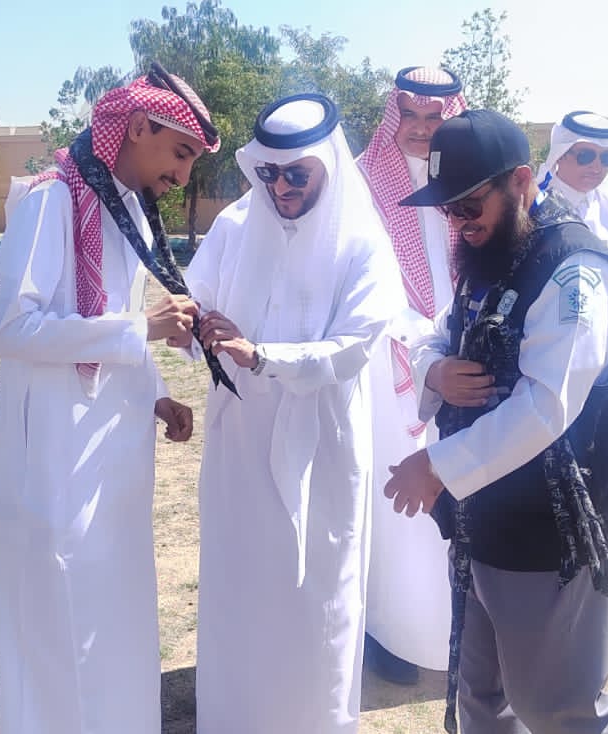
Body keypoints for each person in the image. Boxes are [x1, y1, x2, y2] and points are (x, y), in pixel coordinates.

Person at [383, 109, 608, 734]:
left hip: (554, 532)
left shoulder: (575, 270)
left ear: (521, 182)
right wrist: (435, 371)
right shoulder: (495, 249)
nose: (458, 223)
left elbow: (546, 406)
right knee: (483, 697)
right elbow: (440, 330)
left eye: (469, 206)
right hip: (483, 519)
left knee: (558, 707)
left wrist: (437, 465)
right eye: (448, 210)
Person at [0, 64, 217, 734]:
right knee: (60, 611)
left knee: (114, 607)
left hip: (115, 456)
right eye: (179, 153)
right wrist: (140, 330)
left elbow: (120, 323)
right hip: (54, 454)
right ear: (138, 126)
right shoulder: (51, 199)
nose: (182, 176)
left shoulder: (128, 209)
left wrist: (156, 393)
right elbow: (13, 329)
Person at [187, 93, 404, 734]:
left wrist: (261, 355)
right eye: (269, 173)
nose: (280, 187)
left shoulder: (361, 239)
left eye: (297, 175)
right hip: (239, 440)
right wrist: (196, 326)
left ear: (327, 169)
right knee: (241, 581)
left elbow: (353, 346)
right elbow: (194, 302)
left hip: (323, 444)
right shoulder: (234, 226)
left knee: (317, 592)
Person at [355, 64, 467, 685]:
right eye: (412, 116)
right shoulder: (363, 180)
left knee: (458, 482)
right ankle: (392, 632)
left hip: (458, 356)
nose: (422, 129)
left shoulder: (464, 177)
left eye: (434, 118)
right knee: (397, 493)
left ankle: (454, 631)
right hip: (386, 363)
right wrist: (415, 345)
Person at [540, 110, 608, 313]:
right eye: (586, 156)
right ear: (561, 155)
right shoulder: (536, 205)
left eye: (606, 158)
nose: (597, 167)